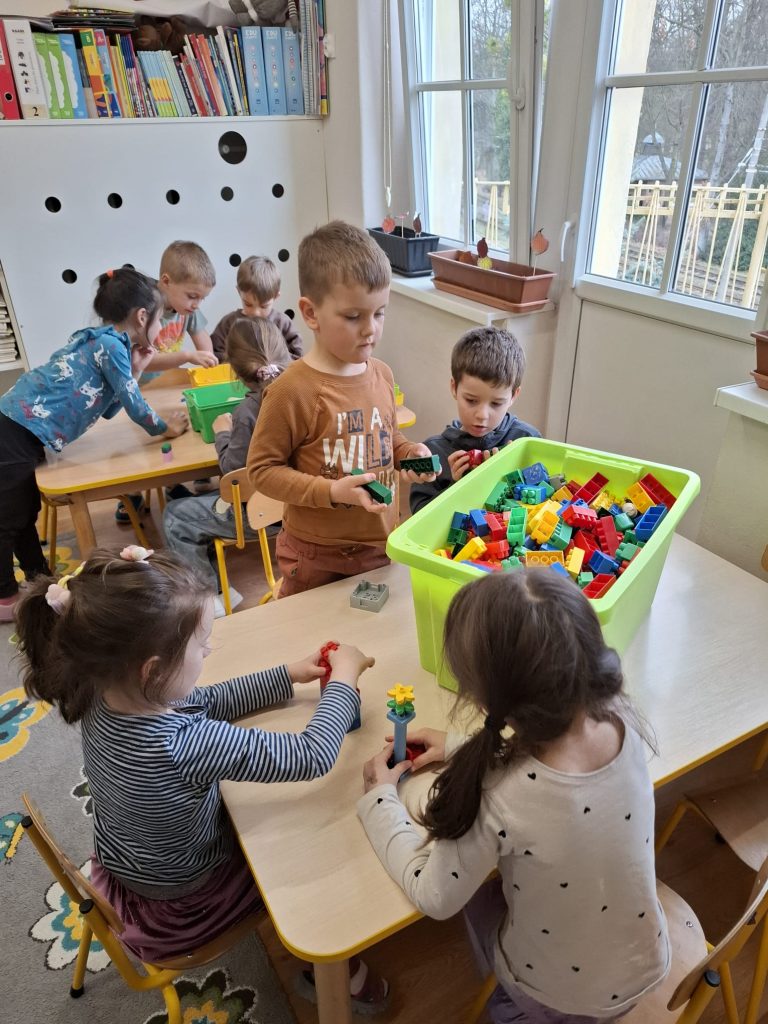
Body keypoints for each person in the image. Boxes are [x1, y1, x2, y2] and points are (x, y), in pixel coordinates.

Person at [15, 546, 388, 1012]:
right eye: (201, 644)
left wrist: (287, 675)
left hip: (128, 867)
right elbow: (308, 756)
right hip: (185, 909)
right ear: (153, 670)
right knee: (306, 853)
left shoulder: (100, 692)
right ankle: (335, 974)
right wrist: (344, 681)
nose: (209, 650)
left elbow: (198, 700)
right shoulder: (181, 744)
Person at [358, 571, 670, 1023]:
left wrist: (379, 801)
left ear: (483, 703)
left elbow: (435, 896)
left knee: (474, 897)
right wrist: (460, 745)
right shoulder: (622, 719)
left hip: (555, 996)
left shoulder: (500, 794)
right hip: (645, 960)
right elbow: (552, 765)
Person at [247, 220, 438, 597]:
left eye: (379, 313)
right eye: (353, 317)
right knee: (313, 631)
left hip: (380, 545)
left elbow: (387, 440)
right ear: (310, 313)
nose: (370, 329)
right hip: (316, 556)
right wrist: (333, 491)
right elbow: (262, 472)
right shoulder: (291, 391)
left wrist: (409, 454)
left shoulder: (382, 374)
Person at [0, 268, 188, 623]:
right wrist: (166, 429)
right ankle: (5, 594)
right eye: (161, 318)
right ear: (142, 317)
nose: (162, 328)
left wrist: (137, 370)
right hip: (13, 429)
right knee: (9, 519)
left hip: (22, 430)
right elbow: (135, 409)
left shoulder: (107, 344)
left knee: (23, 513)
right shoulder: (110, 345)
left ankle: (39, 579)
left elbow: (110, 407)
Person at [163, 317, 292, 616]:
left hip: (262, 514)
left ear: (235, 371)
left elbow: (233, 472)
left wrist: (222, 433)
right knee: (193, 502)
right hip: (301, 506)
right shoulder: (306, 395)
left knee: (175, 517)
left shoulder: (247, 412)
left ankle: (209, 602)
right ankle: (217, 586)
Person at [117, 240, 218, 524]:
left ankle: (172, 485)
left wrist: (209, 367)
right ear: (166, 281)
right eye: (192, 296)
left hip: (166, 385)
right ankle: (131, 495)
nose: (196, 304)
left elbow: (204, 342)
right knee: (138, 443)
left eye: (201, 299)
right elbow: (142, 360)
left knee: (172, 437)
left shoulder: (189, 310)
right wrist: (187, 356)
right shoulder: (144, 308)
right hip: (134, 385)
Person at [409, 327, 540, 515]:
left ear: (513, 396)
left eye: (496, 403)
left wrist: (505, 477)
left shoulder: (527, 440)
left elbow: (546, 501)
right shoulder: (433, 452)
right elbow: (419, 517)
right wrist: (458, 487)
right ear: (454, 388)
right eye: (471, 400)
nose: (482, 415)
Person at [210, 254, 303, 363]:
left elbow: (297, 357)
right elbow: (215, 354)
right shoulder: (228, 323)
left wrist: (276, 364)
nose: (256, 312)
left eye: (264, 306)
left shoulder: (283, 323)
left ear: (276, 296)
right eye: (248, 304)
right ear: (239, 292)